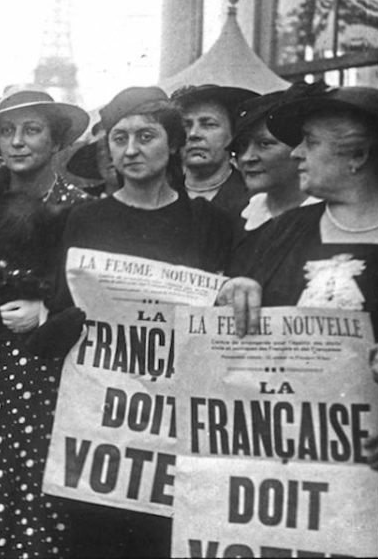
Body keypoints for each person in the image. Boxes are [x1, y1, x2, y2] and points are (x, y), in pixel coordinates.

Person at [56, 86, 238, 557]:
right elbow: (64, 312)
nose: (131, 150)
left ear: (174, 143)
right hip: (104, 432)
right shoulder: (85, 220)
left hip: (178, 428)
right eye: (119, 139)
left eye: (145, 136)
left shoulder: (211, 224)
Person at [0, 88, 92, 559]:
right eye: (7, 131)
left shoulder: (80, 207)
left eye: (31, 130)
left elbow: (96, 298)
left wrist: (50, 313)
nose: (18, 142)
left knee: (43, 506)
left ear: (55, 141)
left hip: (53, 378)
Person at [219, 86, 378, 354]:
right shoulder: (285, 227)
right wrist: (239, 290)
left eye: (310, 141)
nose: (296, 152)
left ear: (358, 155)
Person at [232, 84, 321, 231]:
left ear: (300, 148)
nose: (247, 158)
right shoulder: (241, 218)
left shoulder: (326, 218)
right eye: (242, 146)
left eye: (264, 144)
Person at [172, 83, 259, 215]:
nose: (193, 134)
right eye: (186, 125)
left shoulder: (254, 199)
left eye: (209, 124)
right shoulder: (161, 193)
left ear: (232, 134)